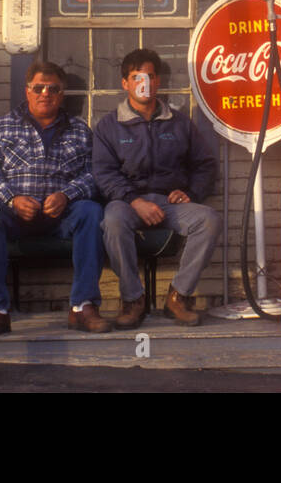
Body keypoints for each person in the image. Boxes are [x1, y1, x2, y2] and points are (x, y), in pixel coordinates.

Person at [0, 59, 110, 336]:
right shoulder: (2, 128)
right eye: (39, 87)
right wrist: (11, 199)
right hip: (14, 215)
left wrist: (67, 195)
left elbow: (96, 173)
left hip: (62, 216)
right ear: (27, 91)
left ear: (61, 94)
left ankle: (83, 307)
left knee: (92, 212)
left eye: (53, 89)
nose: (45, 94)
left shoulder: (80, 130)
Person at [93, 49, 222, 328]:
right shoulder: (109, 125)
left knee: (209, 219)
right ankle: (132, 299)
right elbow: (103, 173)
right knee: (112, 220)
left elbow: (206, 164)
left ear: (158, 81)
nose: (145, 83)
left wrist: (191, 192)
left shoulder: (178, 122)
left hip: (169, 203)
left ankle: (179, 297)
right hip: (127, 203)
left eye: (150, 76)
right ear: (125, 83)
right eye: (137, 77)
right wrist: (133, 200)